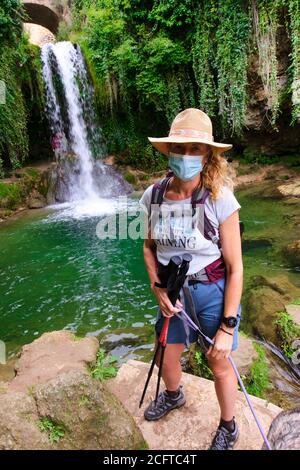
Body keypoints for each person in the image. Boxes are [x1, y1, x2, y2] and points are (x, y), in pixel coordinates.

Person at [139, 108, 243, 450]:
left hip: (212, 290)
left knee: (219, 360)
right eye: (180, 149)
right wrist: (158, 291)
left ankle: (228, 426)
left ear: (207, 154)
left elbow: (235, 267)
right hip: (172, 291)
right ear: (169, 151)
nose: (186, 155)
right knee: (167, 354)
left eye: (195, 149)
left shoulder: (220, 200)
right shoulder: (153, 196)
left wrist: (228, 327)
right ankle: (173, 394)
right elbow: (149, 248)